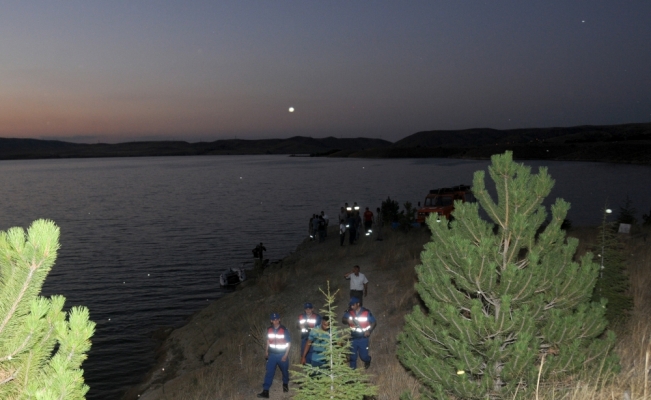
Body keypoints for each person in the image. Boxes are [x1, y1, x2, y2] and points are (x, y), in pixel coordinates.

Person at [257, 313, 291, 398]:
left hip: (282, 354)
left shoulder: (284, 330)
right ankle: (266, 391)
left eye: (276, 319)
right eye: (273, 319)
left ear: (279, 320)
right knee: (269, 372)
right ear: (271, 321)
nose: (275, 321)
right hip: (272, 355)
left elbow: (288, 343)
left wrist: (286, 355)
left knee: (284, 371)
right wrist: (266, 351)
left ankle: (285, 384)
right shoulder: (269, 329)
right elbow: (268, 341)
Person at [342, 297, 376, 369]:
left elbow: (374, 322)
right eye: (351, 305)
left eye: (353, 305)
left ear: (358, 304)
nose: (351, 306)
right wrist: (347, 320)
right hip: (353, 337)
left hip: (363, 338)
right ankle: (353, 374)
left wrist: (369, 331)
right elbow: (343, 319)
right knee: (353, 357)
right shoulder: (350, 312)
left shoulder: (366, 312)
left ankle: (368, 359)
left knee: (363, 356)